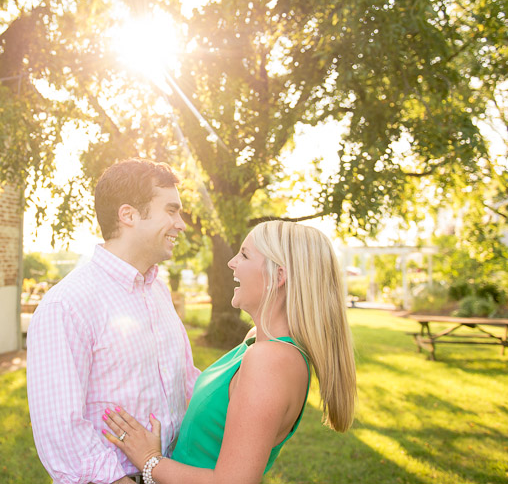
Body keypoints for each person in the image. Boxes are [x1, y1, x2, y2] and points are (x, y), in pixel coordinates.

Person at [101, 220, 357, 484]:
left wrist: (149, 460)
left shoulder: (271, 361)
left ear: (278, 276)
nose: (231, 263)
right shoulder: (257, 342)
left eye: (244, 255)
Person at [27, 159, 202, 484]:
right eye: (171, 210)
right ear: (129, 215)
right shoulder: (67, 304)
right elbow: (61, 430)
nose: (181, 223)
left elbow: (186, 382)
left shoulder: (157, 290)